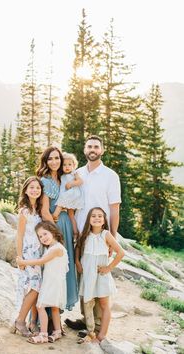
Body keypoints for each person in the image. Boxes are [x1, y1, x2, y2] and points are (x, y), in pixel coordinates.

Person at [65, 135, 121, 331]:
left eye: (96, 146)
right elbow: (70, 202)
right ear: (84, 149)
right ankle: (85, 318)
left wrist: (112, 237)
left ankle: (97, 324)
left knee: (98, 277)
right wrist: (73, 227)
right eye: (89, 146)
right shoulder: (77, 173)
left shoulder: (110, 176)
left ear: (102, 150)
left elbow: (114, 209)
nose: (93, 149)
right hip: (80, 235)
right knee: (84, 275)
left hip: (100, 235)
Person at [36, 146, 78, 311]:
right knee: (51, 269)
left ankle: (57, 312)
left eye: (57, 158)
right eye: (50, 159)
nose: (54, 162)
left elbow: (72, 204)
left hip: (66, 223)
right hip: (54, 228)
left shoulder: (65, 179)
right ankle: (44, 314)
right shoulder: (46, 181)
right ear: (46, 161)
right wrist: (55, 234)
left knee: (63, 268)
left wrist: (73, 226)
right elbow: (45, 211)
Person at [76, 207, 124, 343]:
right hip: (88, 275)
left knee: (104, 305)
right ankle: (90, 331)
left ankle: (102, 335)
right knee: (88, 302)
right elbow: (78, 248)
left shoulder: (106, 234)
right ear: (89, 220)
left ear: (104, 220)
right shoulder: (84, 234)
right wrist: (77, 263)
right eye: (93, 216)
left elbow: (121, 252)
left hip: (101, 275)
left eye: (100, 216)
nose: (96, 218)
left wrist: (109, 267)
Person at [16, 221, 69, 344]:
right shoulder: (52, 247)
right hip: (55, 282)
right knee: (54, 308)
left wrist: (23, 262)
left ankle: (43, 334)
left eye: (45, 234)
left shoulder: (57, 249)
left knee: (40, 306)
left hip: (52, 282)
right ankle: (57, 332)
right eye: (40, 236)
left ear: (53, 232)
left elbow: (41, 261)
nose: (43, 238)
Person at [11, 176, 43, 337]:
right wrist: (19, 257)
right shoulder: (24, 211)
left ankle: (26, 321)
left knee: (34, 287)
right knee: (34, 288)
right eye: (32, 187)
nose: (35, 190)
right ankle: (20, 321)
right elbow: (19, 235)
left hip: (39, 252)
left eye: (38, 188)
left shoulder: (40, 209)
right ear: (25, 190)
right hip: (28, 253)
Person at [52, 152, 83, 240]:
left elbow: (80, 181)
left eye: (70, 164)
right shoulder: (61, 175)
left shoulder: (74, 173)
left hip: (72, 193)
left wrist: (72, 183)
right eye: (64, 165)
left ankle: (55, 215)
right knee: (71, 215)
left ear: (74, 165)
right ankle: (75, 232)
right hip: (68, 195)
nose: (67, 167)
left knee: (61, 201)